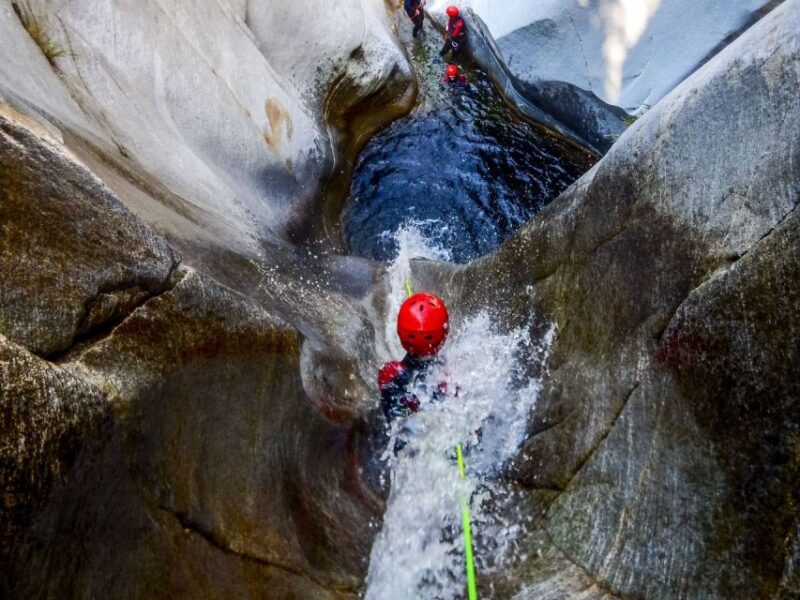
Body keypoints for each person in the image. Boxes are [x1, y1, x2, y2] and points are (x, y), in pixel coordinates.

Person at [379, 292, 449, 424]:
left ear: (400, 332)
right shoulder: (445, 376)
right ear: (444, 333)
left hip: (397, 437)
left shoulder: (390, 373)